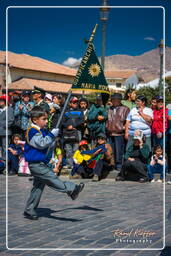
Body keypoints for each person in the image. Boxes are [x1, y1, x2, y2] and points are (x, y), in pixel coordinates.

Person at [24, 106, 84, 220]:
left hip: (42, 163)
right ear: (35, 120)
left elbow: (48, 145)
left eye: (46, 119)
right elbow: (42, 143)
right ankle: (72, 189)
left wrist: (52, 135)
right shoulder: (32, 131)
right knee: (52, 179)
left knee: (37, 188)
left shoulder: (41, 130)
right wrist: (51, 135)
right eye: (43, 119)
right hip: (36, 164)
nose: (46, 121)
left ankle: (29, 209)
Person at [106, 93, 130, 172]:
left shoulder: (125, 109)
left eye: (115, 100)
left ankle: (119, 165)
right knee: (112, 150)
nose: (114, 101)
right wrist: (107, 127)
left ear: (119, 100)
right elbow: (107, 120)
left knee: (119, 150)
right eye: (112, 100)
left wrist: (123, 128)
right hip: (110, 132)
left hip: (119, 133)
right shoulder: (110, 108)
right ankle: (112, 165)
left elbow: (128, 121)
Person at [62, 97, 84, 170]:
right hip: (67, 132)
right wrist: (68, 126)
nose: (75, 104)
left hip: (77, 132)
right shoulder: (66, 111)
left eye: (76, 102)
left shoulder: (80, 111)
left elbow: (82, 120)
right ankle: (69, 164)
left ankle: (76, 164)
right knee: (68, 149)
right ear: (70, 103)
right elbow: (62, 121)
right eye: (73, 102)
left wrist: (74, 126)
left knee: (76, 148)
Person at [0, 94, 14, 160]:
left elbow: (10, 121)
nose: (0, 102)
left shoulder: (9, 109)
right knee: (1, 148)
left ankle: (6, 162)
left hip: (5, 131)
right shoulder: (0, 109)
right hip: (1, 131)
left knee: (5, 147)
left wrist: (3, 126)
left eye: (2, 100)